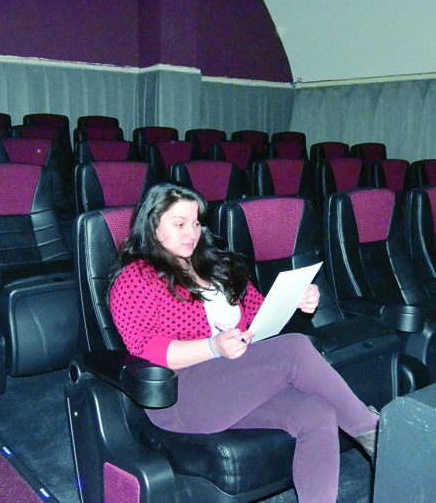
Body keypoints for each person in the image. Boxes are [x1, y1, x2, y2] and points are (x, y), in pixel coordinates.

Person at [108, 183, 379, 503]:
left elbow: (257, 314)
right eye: (179, 223)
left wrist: (295, 301)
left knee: (317, 412)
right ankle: (375, 434)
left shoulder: (216, 265)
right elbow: (144, 349)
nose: (191, 232)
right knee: (295, 348)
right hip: (182, 395)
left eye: (196, 223)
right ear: (152, 224)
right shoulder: (136, 276)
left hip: (233, 380)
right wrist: (214, 347)